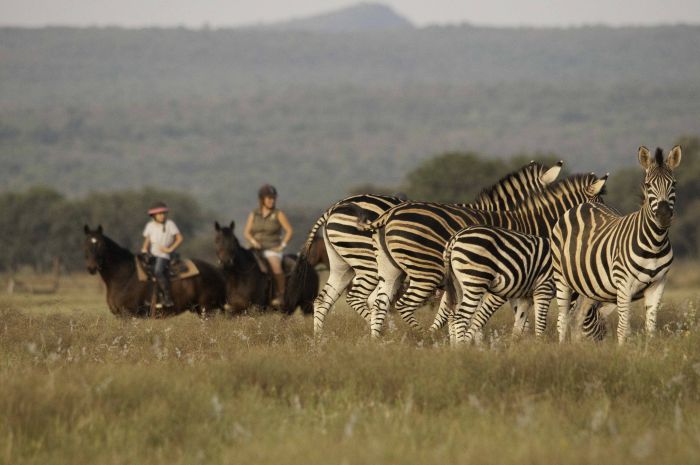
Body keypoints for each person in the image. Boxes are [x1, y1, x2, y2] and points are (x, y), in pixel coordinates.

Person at [243, 184, 293, 307]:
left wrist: (282, 245)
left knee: (276, 266)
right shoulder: (254, 214)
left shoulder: (278, 214)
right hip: (254, 247)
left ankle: (281, 295)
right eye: (269, 198)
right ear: (262, 199)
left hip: (272, 248)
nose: (272, 200)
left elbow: (289, 231)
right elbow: (246, 232)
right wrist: (253, 241)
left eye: (273, 198)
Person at [141, 201, 183, 307]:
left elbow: (179, 238)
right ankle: (150, 297)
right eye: (159, 214)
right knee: (145, 273)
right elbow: (147, 240)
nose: (162, 216)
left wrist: (170, 249)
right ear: (154, 215)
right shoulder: (149, 226)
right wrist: (144, 249)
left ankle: (167, 297)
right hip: (152, 255)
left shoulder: (170, 224)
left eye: (164, 214)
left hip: (164, 255)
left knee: (158, 271)